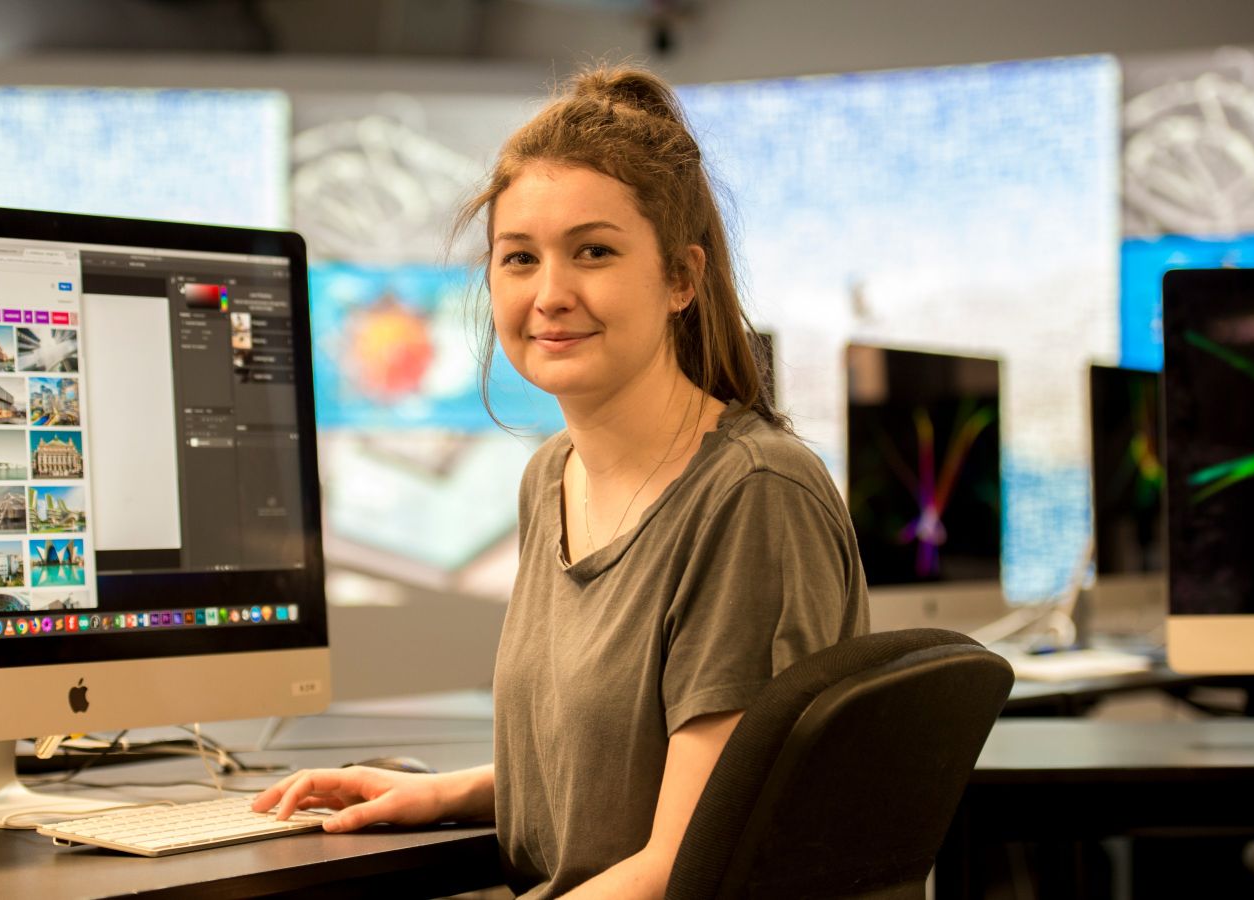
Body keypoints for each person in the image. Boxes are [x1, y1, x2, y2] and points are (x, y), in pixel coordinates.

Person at [253, 63, 870, 898]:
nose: (549, 295)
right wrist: (444, 791)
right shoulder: (553, 476)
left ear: (681, 279)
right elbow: (626, 767)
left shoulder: (753, 495)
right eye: (519, 259)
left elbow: (688, 861)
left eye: (594, 252)